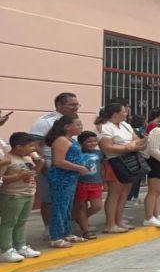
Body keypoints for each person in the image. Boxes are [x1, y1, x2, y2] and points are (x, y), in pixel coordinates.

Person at [28, 92, 80, 229]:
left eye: (77, 104)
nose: (76, 107)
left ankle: (65, 227)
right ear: (59, 105)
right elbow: (34, 146)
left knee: (68, 198)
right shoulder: (45, 121)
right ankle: (49, 229)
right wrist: (43, 166)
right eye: (71, 105)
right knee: (49, 198)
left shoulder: (73, 119)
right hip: (51, 164)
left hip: (71, 165)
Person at [96, 103, 146, 233]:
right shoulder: (106, 127)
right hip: (115, 161)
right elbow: (106, 147)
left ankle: (119, 220)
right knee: (114, 193)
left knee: (124, 193)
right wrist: (126, 147)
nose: (126, 114)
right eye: (124, 111)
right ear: (115, 114)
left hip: (129, 160)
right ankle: (110, 224)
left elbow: (137, 139)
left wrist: (132, 145)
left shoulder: (125, 125)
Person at [45, 114, 93, 248]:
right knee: (59, 207)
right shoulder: (61, 140)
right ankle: (56, 237)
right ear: (67, 127)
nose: (81, 127)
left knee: (67, 207)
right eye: (78, 124)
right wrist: (79, 168)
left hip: (70, 178)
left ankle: (67, 233)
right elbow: (58, 161)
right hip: (61, 178)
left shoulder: (71, 140)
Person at [0, 132, 42, 262]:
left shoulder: (27, 158)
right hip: (13, 195)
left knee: (22, 222)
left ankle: (21, 246)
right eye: (30, 146)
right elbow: (2, 178)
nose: (33, 149)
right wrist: (18, 176)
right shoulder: (7, 159)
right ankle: (5, 249)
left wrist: (39, 163)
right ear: (18, 147)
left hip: (28, 193)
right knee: (9, 222)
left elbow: (33, 173)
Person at [72, 131, 104, 239]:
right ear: (81, 143)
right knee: (81, 206)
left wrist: (104, 181)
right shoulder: (77, 153)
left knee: (97, 206)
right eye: (89, 141)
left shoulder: (99, 153)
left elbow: (102, 168)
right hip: (81, 183)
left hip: (96, 183)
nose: (93, 143)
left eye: (94, 141)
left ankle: (78, 218)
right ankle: (86, 231)